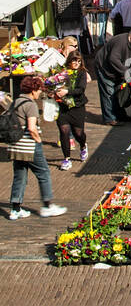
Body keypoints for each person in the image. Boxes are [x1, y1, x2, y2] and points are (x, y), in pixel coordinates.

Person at [6, 75, 67, 221]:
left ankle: (15, 209)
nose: (40, 92)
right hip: (29, 145)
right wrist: (38, 140)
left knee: (20, 176)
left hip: (16, 146)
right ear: (33, 89)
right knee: (43, 173)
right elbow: (32, 128)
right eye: (39, 89)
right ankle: (47, 206)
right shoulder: (31, 105)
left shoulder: (15, 102)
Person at [93, 24, 131, 124]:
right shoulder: (120, 41)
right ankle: (110, 118)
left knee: (118, 91)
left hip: (117, 69)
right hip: (104, 67)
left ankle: (121, 115)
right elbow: (113, 59)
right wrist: (125, 71)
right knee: (109, 92)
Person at [55, 48, 89, 170]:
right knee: (64, 131)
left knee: (78, 133)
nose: (76, 64)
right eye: (74, 61)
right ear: (69, 61)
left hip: (77, 107)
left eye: (79, 61)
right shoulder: (62, 73)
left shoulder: (82, 73)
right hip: (63, 107)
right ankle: (66, 159)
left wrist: (67, 91)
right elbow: (54, 84)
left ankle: (83, 145)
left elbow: (80, 90)